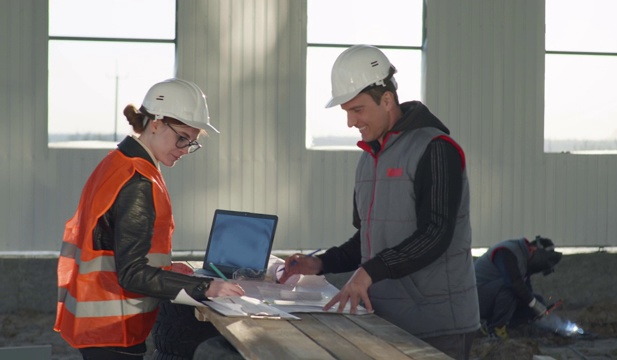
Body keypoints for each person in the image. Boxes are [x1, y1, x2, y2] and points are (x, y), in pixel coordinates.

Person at [279, 44, 479, 360]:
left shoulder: (437, 149)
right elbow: (368, 240)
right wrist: (320, 264)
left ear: (387, 100)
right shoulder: (369, 160)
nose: (350, 122)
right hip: (386, 319)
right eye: (346, 111)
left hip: (440, 326)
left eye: (357, 110)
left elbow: (436, 234)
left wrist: (369, 271)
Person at [54, 78, 245, 360]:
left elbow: (116, 247)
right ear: (155, 124)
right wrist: (206, 287)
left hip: (100, 324)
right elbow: (132, 273)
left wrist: (166, 269)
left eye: (191, 143)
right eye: (182, 137)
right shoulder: (137, 181)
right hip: (114, 328)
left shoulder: (117, 163)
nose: (184, 149)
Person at [474, 236, 563, 339]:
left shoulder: (524, 261)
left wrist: (539, 308)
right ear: (534, 249)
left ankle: (505, 325)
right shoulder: (508, 251)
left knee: (536, 302)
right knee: (513, 288)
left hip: (492, 296)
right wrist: (534, 304)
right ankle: (495, 329)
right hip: (476, 299)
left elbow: (527, 293)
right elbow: (513, 283)